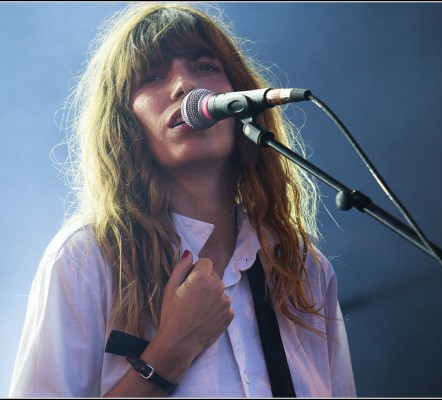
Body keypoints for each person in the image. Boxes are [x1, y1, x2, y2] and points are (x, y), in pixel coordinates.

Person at [9, 2, 356, 397]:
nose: (184, 86)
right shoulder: (88, 260)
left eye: (205, 67)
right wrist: (171, 350)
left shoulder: (305, 268)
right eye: (153, 76)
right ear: (125, 123)